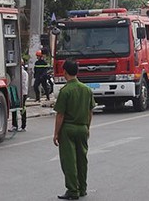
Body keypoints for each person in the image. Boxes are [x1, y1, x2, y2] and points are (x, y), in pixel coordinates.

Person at [53, 59, 96, 200]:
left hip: (68, 129)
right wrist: (87, 127)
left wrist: (56, 133)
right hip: (83, 128)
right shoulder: (87, 90)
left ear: (65, 72)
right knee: (82, 159)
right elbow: (90, 112)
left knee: (69, 161)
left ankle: (73, 190)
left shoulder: (65, 91)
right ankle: (82, 188)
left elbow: (60, 115)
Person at [10, 63, 29, 132]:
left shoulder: (23, 73)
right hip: (16, 92)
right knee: (14, 109)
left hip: (22, 93)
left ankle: (23, 125)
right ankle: (14, 125)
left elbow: (23, 84)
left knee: (22, 109)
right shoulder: (16, 72)